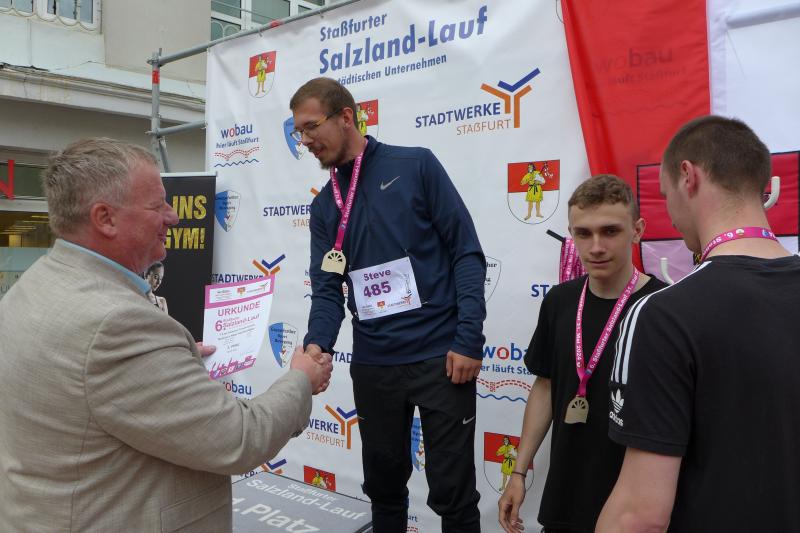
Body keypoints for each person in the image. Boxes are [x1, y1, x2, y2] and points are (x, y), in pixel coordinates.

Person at [0, 138, 333, 531]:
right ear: (105, 218)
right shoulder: (117, 325)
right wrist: (301, 379)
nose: (173, 217)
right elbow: (240, 438)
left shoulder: (35, 283)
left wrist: (170, 362)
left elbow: (91, 383)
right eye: (157, 205)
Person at [290, 77, 486, 532]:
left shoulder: (415, 165)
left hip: (441, 359)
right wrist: (317, 345)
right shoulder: (324, 208)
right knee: (384, 492)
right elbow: (327, 290)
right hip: (375, 365)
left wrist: (468, 338)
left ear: (346, 117)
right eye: (298, 132)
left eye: (311, 127)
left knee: (454, 495)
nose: (305, 141)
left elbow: (466, 252)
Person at [597, 116, 800, 532]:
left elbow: (640, 515)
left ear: (688, 176)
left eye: (664, 194)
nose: (669, 215)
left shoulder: (661, 316)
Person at [498, 175, 666, 533]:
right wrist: (518, 472)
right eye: (583, 234)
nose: (596, 247)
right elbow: (545, 385)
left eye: (610, 231)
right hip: (565, 500)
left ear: (637, 230)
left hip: (635, 509)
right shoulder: (559, 301)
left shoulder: (663, 307)